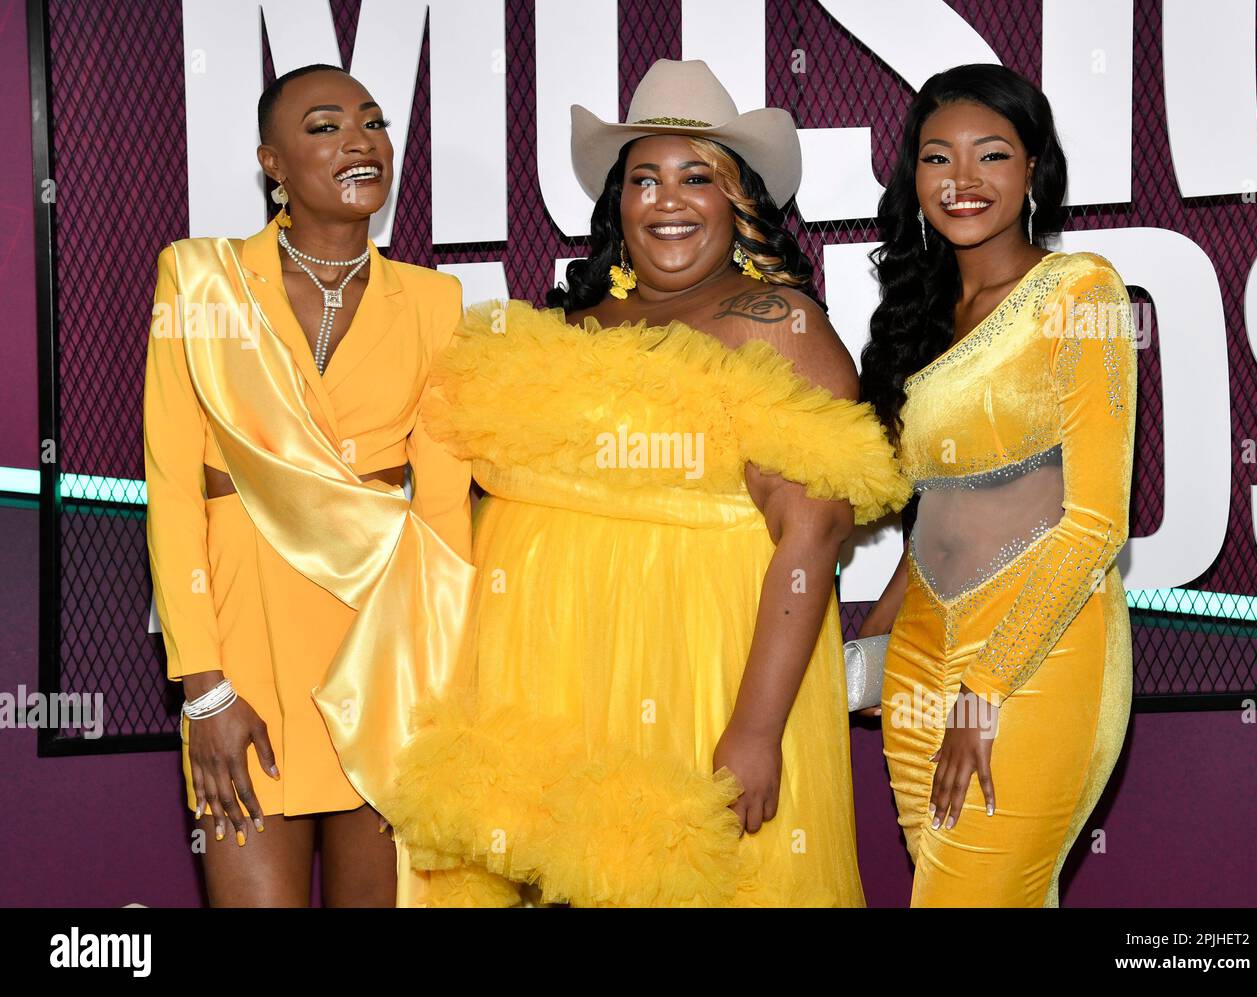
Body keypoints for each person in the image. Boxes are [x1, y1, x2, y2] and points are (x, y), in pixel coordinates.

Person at [382, 59, 911, 907]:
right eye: (644, 179)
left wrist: (756, 729)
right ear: (617, 203)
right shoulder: (570, 328)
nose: (668, 201)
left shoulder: (774, 322)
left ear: (737, 204)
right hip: (550, 694)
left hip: (700, 683)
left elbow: (811, 535)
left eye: (696, 177)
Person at [144, 64, 472, 906]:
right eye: (325, 127)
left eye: (373, 122)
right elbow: (175, 488)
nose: (360, 142)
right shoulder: (199, 279)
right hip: (242, 667)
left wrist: (447, 696)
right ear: (272, 164)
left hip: (385, 658)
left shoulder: (436, 302)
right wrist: (203, 689)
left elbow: (442, 511)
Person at [858, 64, 1137, 907]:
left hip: (1034, 651)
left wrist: (983, 690)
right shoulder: (920, 312)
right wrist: (876, 633)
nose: (963, 180)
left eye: (992, 155)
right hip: (917, 647)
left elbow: (1096, 523)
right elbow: (939, 508)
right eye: (938, 159)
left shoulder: (1080, 290)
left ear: (1033, 172)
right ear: (913, 179)